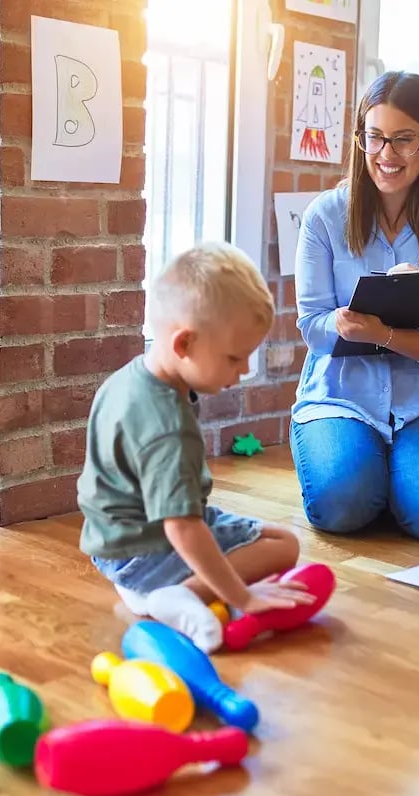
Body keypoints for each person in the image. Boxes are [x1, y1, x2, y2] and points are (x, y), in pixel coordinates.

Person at [78, 242, 314, 652]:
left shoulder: (129, 379)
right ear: (184, 344)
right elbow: (182, 527)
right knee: (285, 546)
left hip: (109, 543)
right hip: (145, 550)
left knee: (268, 532)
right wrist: (244, 598)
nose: (242, 373)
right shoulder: (168, 428)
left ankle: (145, 587)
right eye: (234, 358)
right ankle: (176, 595)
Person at [289, 71, 419, 544]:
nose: (386, 155)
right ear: (360, 138)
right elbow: (312, 327)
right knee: (341, 506)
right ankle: (372, 479)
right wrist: (340, 324)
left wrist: (382, 335)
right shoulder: (324, 217)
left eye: (403, 140)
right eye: (375, 137)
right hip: (340, 397)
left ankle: (394, 482)